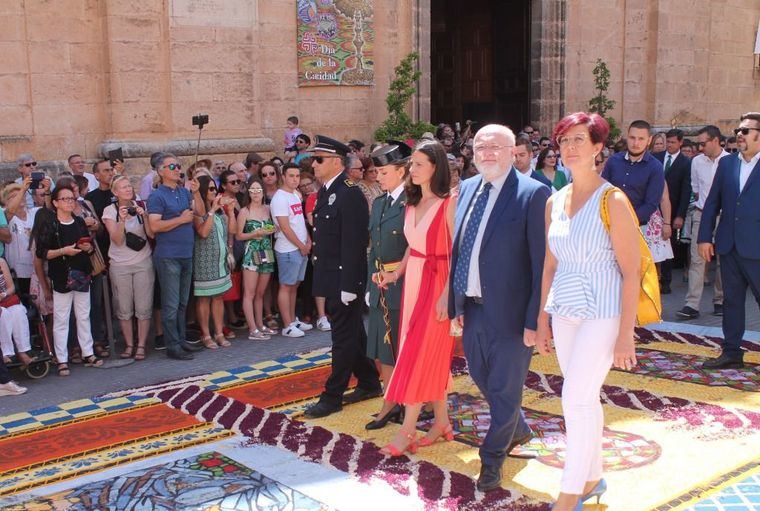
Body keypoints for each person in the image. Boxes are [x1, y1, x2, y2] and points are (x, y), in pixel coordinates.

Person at [534, 112, 640, 510]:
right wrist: (541, 318)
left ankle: (569, 492)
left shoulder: (612, 199)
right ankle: (593, 477)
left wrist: (626, 334)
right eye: (564, 141)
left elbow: (631, 272)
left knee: (574, 397)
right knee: (585, 398)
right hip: (565, 308)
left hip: (603, 310)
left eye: (579, 140)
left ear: (598, 148)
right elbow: (549, 264)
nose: (570, 148)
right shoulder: (554, 201)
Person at [448, 125, 549, 491]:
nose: (487, 153)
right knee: (480, 376)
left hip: (511, 314)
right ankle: (518, 428)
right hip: (472, 308)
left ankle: (492, 459)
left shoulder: (534, 193)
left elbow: (541, 265)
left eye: (495, 147)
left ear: (512, 152)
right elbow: (459, 251)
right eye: (480, 147)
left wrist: (535, 319)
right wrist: (455, 302)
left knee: (505, 389)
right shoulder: (468, 189)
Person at [373, 139, 456, 456]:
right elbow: (413, 246)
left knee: (419, 355)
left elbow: (456, 251)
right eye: (413, 163)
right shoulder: (410, 203)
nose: (413, 169)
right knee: (426, 353)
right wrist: (396, 274)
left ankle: (407, 430)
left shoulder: (449, 204)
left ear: (436, 168)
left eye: (420, 163)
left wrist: (447, 294)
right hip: (413, 286)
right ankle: (441, 422)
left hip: (437, 287)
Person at [304, 136, 381, 418]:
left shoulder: (349, 193)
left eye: (319, 159)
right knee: (353, 334)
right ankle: (370, 381)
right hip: (331, 277)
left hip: (343, 280)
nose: (314, 163)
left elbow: (354, 242)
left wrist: (350, 285)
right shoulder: (327, 191)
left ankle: (332, 395)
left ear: (337, 161)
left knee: (342, 338)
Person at [698, 112, 760, 369]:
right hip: (729, 245)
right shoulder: (727, 164)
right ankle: (732, 352)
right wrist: (704, 238)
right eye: (738, 130)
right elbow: (712, 203)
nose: (739, 134)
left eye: (746, 131)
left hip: (756, 247)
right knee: (731, 301)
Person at [363, 141, 411, 430]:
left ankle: (411, 399)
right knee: (383, 348)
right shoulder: (380, 202)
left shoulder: (413, 202)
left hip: (404, 283)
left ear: (400, 170)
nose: (377, 177)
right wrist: (371, 282)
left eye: (382, 171)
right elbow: (374, 247)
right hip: (380, 283)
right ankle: (390, 401)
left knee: (404, 346)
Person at [34, 185, 104, 376]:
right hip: (62, 275)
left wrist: (87, 249)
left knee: (83, 315)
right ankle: (62, 358)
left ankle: (88, 352)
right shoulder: (51, 224)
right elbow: (42, 252)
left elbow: (88, 244)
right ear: (55, 203)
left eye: (71, 198)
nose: (70, 201)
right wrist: (63, 251)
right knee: (62, 318)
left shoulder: (80, 221)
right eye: (65, 199)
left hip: (81, 272)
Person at [147, 154, 204, 360]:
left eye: (178, 165)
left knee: (182, 303)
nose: (176, 169)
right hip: (168, 255)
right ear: (160, 171)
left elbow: (200, 212)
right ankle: (172, 345)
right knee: (171, 304)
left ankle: (180, 341)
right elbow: (154, 226)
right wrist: (180, 220)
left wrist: (196, 193)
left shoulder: (183, 191)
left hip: (186, 253)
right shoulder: (157, 196)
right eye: (171, 166)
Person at [677, 125, 727, 320]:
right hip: (701, 213)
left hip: (724, 216)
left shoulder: (730, 161)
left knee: (724, 259)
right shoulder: (696, 162)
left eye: (702, 143)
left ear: (715, 140)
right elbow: (696, 188)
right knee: (697, 259)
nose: (699, 147)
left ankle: (720, 301)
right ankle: (692, 304)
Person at [102, 176, 155, 361]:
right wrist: (122, 219)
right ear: (115, 192)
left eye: (129, 186)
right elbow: (116, 240)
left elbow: (151, 234)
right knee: (124, 308)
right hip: (119, 265)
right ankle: (129, 345)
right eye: (123, 187)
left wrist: (145, 215)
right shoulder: (109, 211)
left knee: (143, 306)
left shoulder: (141, 205)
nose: (128, 189)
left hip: (143, 262)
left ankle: (141, 345)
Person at [193, 175, 237, 349]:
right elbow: (203, 232)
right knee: (204, 298)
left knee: (218, 297)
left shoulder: (220, 211)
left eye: (215, 189)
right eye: (211, 189)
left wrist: (231, 212)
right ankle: (206, 334)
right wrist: (212, 210)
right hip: (204, 261)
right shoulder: (199, 212)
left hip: (220, 261)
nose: (215, 192)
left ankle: (218, 332)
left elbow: (232, 231)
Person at [271, 163, 313, 338]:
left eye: (297, 176)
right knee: (286, 286)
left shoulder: (295, 194)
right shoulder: (279, 198)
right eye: (291, 176)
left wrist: (308, 240)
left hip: (300, 246)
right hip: (288, 249)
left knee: (294, 286)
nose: (295, 179)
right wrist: (301, 245)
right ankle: (287, 325)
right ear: (283, 176)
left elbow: (300, 221)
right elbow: (285, 227)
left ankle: (293, 319)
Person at [602, 120, 665, 226]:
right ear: (627, 137)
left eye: (641, 139)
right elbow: (602, 190)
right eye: (632, 138)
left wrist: (626, 220)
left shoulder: (655, 167)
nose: (636, 143)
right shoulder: (613, 161)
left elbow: (651, 204)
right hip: (607, 222)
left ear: (649, 140)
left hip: (637, 226)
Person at [653, 129, 692, 294]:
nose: (669, 145)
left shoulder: (685, 163)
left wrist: (680, 215)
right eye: (667, 142)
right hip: (653, 208)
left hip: (674, 208)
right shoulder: (656, 158)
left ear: (680, 142)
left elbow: (686, 190)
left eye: (673, 142)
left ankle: (666, 281)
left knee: (668, 245)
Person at [237, 179, 276, 340]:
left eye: (258, 189)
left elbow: (274, 227)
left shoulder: (268, 209)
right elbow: (239, 235)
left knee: (261, 292)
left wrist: (270, 230)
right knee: (250, 293)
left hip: (266, 251)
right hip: (251, 253)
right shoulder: (244, 211)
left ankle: (260, 325)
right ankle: (252, 328)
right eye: (252, 190)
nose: (255, 193)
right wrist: (255, 233)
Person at [0, 257, 34, 367]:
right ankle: (5, 353)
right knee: (3, 314)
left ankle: (22, 351)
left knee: (18, 311)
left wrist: (4, 295)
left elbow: (11, 288)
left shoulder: (1, 262)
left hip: (5, 300)